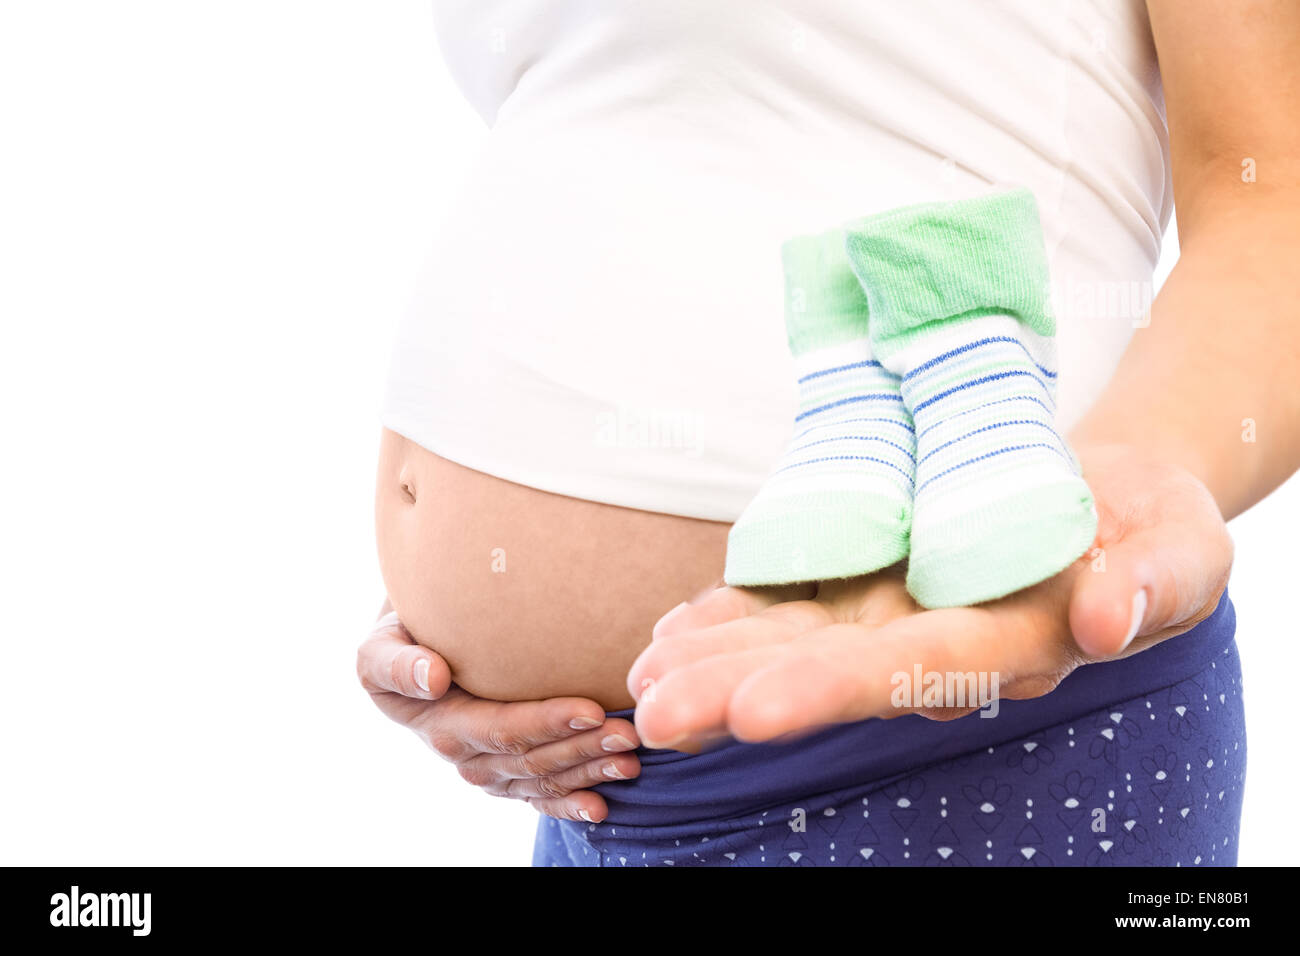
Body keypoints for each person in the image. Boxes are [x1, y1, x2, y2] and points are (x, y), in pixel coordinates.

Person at [358, 0, 1300, 865]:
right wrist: (471, 594)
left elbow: (1274, 189)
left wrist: (1134, 481)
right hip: (595, 792)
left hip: (953, 743)